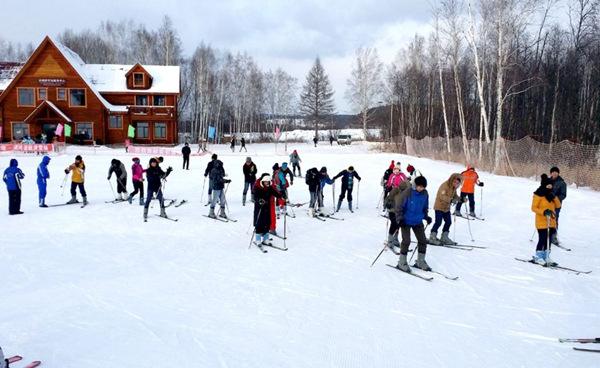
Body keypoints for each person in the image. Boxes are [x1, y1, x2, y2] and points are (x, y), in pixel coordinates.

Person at [394, 176, 433, 272]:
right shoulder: (408, 193)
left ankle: (420, 261)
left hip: (417, 221)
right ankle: (401, 262)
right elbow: (399, 206)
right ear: (415, 185)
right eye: (419, 186)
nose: (421, 188)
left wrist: (426, 216)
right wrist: (400, 219)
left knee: (423, 240)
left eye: (423, 187)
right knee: (406, 241)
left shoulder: (425, 193)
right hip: (406, 221)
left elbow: (424, 207)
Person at [531, 174, 561, 266]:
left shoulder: (551, 195)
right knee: (543, 238)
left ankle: (546, 256)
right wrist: (544, 212)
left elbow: (558, 205)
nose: (549, 187)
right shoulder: (538, 194)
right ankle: (538, 256)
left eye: (551, 185)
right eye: (548, 185)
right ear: (544, 184)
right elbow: (533, 208)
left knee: (549, 240)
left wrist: (554, 197)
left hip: (551, 221)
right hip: (541, 221)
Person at [429, 173, 463, 245]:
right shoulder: (445, 185)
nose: (456, 184)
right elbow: (442, 196)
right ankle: (432, 237)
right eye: (455, 182)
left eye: (457, 183)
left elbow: (455, 196)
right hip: (439, 206)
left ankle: (444, 237)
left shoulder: (453, 188)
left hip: (446, 208)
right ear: (452, 180)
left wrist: (461, 199)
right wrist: (451, 200)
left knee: (448, 222)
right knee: (438, 222)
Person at [253, 173, 281, 246]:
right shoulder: (257, 187)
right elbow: (255, 196)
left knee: (267, 223)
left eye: (268, 182)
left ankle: (265, 239)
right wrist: (259, 200)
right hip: (260, 208)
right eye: (266, 182)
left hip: (267, 208)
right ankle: (258, 240)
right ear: (262, 182)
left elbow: (275, 193)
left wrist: (281, 196)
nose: (267, 183)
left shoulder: (269, 187)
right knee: (259, 223)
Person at [549, 166, 566, 245]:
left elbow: (563, 195)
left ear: (558, 173)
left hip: (556, 204)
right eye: (553, 172)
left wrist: (555, 199)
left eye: (556, 172)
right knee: (546, 217)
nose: (554, 173)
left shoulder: (562, 183)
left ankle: (553, 236)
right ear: (551, 173)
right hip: (547, 203)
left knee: (554, 219)